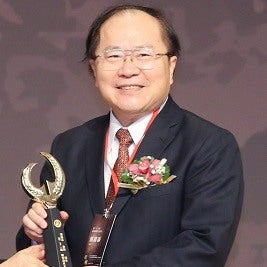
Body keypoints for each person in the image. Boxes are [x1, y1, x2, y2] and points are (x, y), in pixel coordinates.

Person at [16, 4, 244, 267]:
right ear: (93, 69)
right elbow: (36, 246)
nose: (128, 69)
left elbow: (204, 248)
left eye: (144, 54)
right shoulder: (69, 145)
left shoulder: (208, 145)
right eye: (113, 56)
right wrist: (36, 234)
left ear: (171, 66)